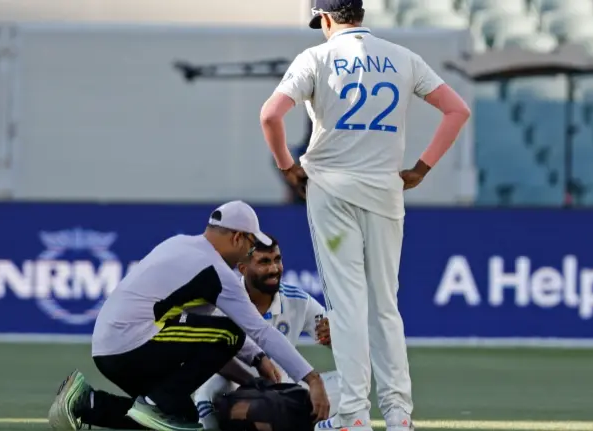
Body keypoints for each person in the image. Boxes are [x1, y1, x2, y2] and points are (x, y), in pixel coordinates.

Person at [258, 1, 471, 430]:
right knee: (385, 306)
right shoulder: (403, 57)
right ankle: (399, 415)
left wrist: (287, 165)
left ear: (328, 18)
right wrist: (422, 167)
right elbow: (457, 110)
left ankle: (354, 415)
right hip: (386, 192)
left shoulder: (316, 57)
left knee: (347, 307)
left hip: (332, 193)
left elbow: (270, 115)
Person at [47, 201, 329, 431]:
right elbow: (256, 331)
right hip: (132, 344)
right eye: (251, 246)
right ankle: (156, 402)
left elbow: (202, 340)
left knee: (182, 421)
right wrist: (311, 379)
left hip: (112, 348)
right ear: (237, 237)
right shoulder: (215, 271)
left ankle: (87, 403)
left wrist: (252, 370)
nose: (248, 252)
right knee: (230, 332)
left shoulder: (180, 244)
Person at [194, 234, 340, 430]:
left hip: (284, 386)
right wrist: (255, 382)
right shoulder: (223, 299)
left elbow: (337, 342)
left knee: (349, 384)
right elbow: (209, 355)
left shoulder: (298, 300)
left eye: (277, 260)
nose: (274, 269)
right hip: (234, 383)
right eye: (264, 262)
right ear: (243, 269)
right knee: (205, 394)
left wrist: (335, 336)